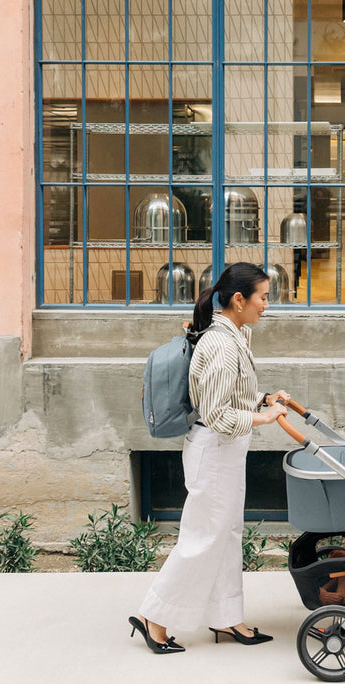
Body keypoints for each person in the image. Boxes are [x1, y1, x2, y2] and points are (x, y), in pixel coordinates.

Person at [129, 262, 290, 653]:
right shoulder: (220, 344)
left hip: (227, 451)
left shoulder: (236, 334)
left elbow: (227, 397)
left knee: (228, 533)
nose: (267, 305)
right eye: (263, 297)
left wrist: (261, 399)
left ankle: (226, 617)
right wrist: (263, 416)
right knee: (202, 539)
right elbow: (217, 415)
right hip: (214, 450)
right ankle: (156, 617)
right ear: (239, 300)